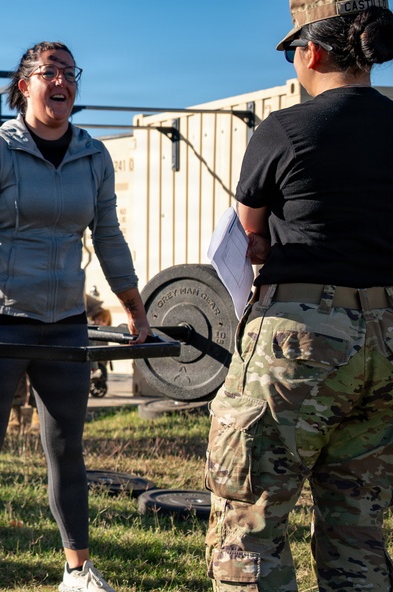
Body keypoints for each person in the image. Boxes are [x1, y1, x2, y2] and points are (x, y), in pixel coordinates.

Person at [0, 41, 150, 592]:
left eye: (70, 73)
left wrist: (136, 310)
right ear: (26, 84)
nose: (62, 81)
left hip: (63, 317)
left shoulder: (93, 155)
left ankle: (76, 570)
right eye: (50, 72)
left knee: (67, 444)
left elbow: (109, 238)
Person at [204, 2, 393, 590]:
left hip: (297, 340)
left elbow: (247, 229)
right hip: (388, 338)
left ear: (311, 51)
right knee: (359, 529)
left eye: (293, 52)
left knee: (249, 525)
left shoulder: (285, 129)